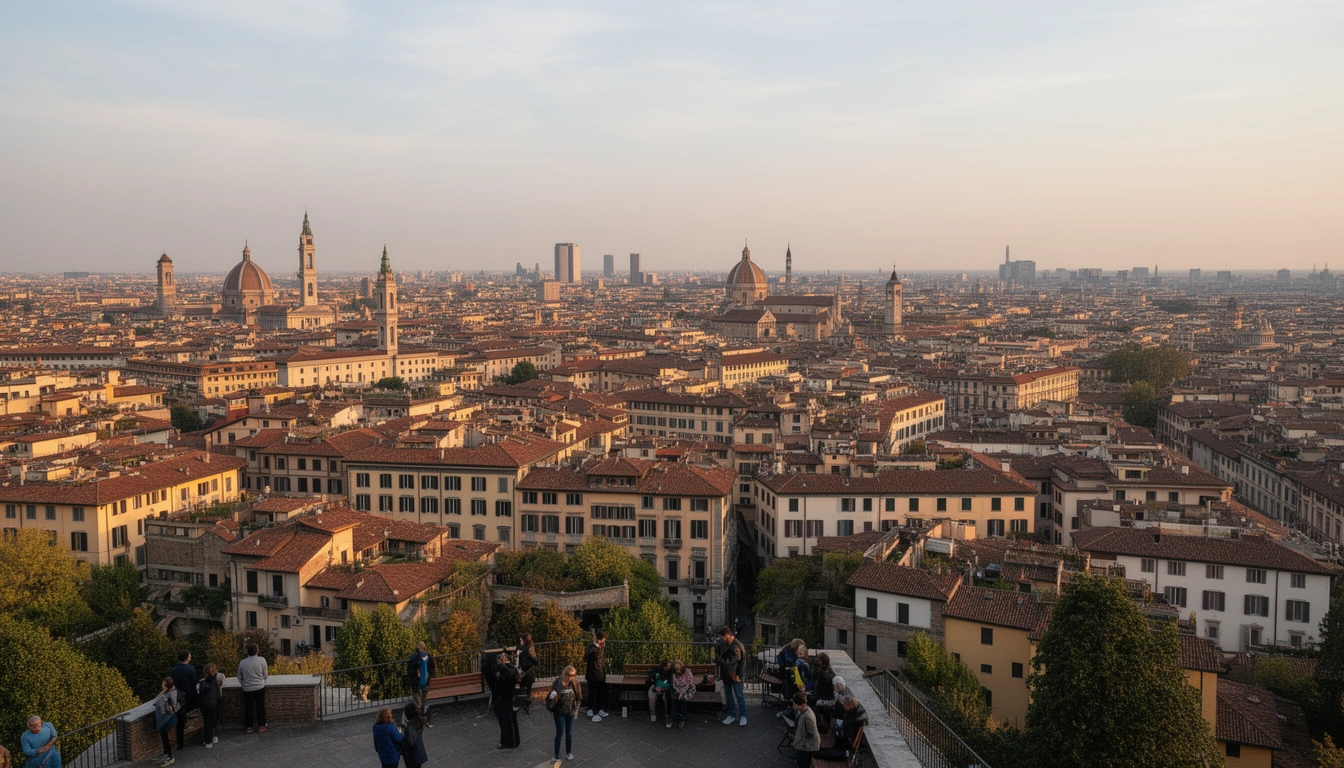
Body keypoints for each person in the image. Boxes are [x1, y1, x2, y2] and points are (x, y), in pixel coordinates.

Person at [547, 664, 583, 764]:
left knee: (569, 733)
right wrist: (552, 696)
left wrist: (576, 709)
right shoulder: (558, 682)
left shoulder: (574, 683)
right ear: (565, 673)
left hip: (570, 711)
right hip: (559, 712)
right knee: (560, 732)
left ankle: (568, 752)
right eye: (569, 675)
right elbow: (553, 696)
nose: (571, 677)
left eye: (573, 675)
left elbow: (578, 696)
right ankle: (556, 754)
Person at [716, 626, 747, 726]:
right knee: (729, 695)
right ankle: (732, 715)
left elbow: (742, 662)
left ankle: (742, 715)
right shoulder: (727, 644)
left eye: (723, 637)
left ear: (727, 635)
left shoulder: (737, 645)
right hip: (727, 673)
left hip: (735, 674)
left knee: (739, 695)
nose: (722, 639)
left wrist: (739, 675)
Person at [491, 650, 521, 749]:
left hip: (504, 698)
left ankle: (506, 742)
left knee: (505, 721)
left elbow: (500, 686)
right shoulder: (513, 669)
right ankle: (515, 741)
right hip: (512, 697)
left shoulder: (503, 671)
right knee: (512, 720)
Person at [169, 651, 198, 751]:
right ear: (186, 658)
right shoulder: (190, 669)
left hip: (177, 697)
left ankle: (179, 744)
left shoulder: (174, 670)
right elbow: (194, 684)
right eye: (190, 657)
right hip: (188, 697)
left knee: (180, 721)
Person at [238, 642, 269, 733]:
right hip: (259, 687)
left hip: (247, 689)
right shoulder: (262, 660)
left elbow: (239, 677)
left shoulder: (243, 662)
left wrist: (244, 684)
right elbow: (265, 675)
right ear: (257, 651)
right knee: (260, 707)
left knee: (248, 708)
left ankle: (248, 727)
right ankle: (262, 725)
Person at [405, 641, 435, 726]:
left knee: (417, 702)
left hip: (416, 683)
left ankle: (417, 720)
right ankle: (423, 719)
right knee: (423, 701)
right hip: (425, 683)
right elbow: (432, 668)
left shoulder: (414, 658)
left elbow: (410, 671)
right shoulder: (428, 657)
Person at [152, 677, 180, 766]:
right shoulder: (164, 693)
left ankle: (169, 755)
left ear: (167, 685)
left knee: (165, 736)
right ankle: (166, 753)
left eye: (163, 684)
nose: (162, 685)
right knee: (163, 736)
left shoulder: (171, 694)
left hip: (168, 718)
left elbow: (170, 706)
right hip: (165, 718)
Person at [583, 631, 610, 722]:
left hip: (600, 673)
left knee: (600, 693)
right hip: (593, 674)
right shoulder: (592, 648)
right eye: (603, 640)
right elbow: (589, 657)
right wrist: (600, 648)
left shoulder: (599, 647)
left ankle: (598, 709)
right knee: (593, 693)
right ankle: (592, 710)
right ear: (600, 639)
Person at [197, 662, 225, 748]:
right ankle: (213, 737)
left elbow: (199, 693)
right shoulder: (217, 681)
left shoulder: (202, 682)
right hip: (214, 703)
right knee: (213, 721)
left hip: (205, 704)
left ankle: (208, 741)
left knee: (207, 722)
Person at [790, 693, 820, 768]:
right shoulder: (805, 711)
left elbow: (811, 733)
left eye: (796, 705)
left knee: (803, 764)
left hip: (807, 746)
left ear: (803, 704)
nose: (795, 706)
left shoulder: (807, 717)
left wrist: (800, 739)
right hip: (805, 745)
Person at [669, 660, 696, 730]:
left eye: (678, 668)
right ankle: (672, 717)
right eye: (675, 668)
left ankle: (683, 717)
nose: (677, 670)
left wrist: (682, 692)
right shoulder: (674, 674)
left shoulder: (687, 671)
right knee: (674, 698)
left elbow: (690, 682)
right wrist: (679, 692)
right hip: (677, 689)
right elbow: (674, 684)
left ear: (681, 666)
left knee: (683, 699)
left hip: (687, 689)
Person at [401, 702, 429, 768]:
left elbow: (410, 742)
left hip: (412, 756)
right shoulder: (418, 722)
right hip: (418, 753)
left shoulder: (411, 726)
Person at [516, 633, 538, 713]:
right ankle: (523, 703)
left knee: (527, 688)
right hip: (523, 671)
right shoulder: (520, 647)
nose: (520, 641)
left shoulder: (529, 648)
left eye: (521, 640)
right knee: (521, 688)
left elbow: (535, 661)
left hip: (527, 672)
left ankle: (526, 704)